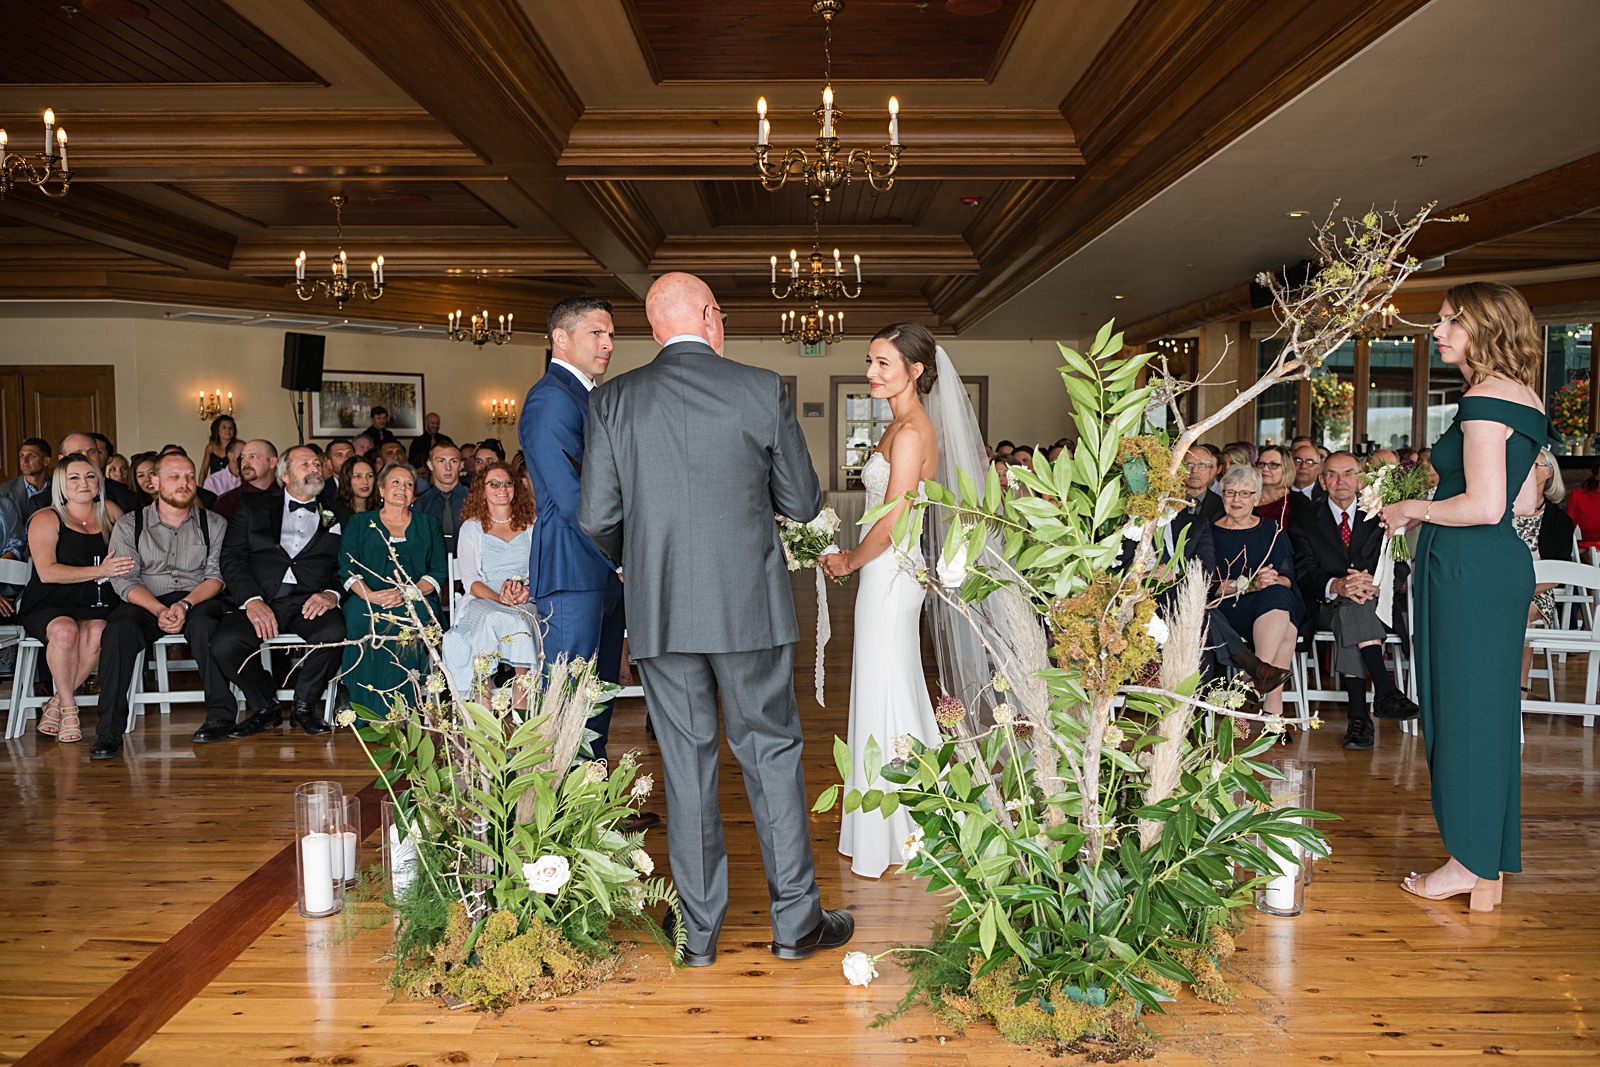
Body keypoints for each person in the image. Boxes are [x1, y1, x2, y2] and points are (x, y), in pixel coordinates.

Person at [578, 271, 852, 968]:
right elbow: (798, 497)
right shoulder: (759, 388)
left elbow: (596, 519)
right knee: (772, 755)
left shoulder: (613, 399)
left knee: (686, 764)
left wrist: (639, 563)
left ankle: (699, 935)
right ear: (707, 316)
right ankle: (795, 923)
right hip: (749, 612)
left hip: (662, 612)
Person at [1380, 281, 1555, 912]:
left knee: (1462, 713)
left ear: (1485, 327)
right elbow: (1526, 501)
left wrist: (1411, 507)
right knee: (1486, 714)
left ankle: (1468, 863)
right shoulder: (1525, 397)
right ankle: (1486, 865)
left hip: (1468, 568)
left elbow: (1482, 506)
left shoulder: (1483, 398)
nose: (1439, 331)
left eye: (1452, 321)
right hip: (1495, 566)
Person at [818, 323, 943, 879]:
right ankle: (903, 820)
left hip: (892, 574)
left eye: (883, 363)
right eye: (870, 361)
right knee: (887, 682)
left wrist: (848, 559)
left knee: (885, 682)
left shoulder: (913, 431)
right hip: (888, 575)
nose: (871, 372)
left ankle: (898, 830)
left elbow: (893, 523)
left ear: (915, 371)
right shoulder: (900, 424)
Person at [520, 295, 628, 763]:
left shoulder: (587, 396)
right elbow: (570, 499)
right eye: (596, 333)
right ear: (559, 339)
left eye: (610, 334)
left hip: (599, 571)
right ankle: (559, 823)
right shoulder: (549, 400)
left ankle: (592, 812)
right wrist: (622, 556)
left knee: (598, 695)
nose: (607, 344)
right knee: (567, 700)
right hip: (571, 570)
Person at [89, 453, 232, 759]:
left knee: (209, 626)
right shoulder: (130, 524)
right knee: (118, 630)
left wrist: (184, 604)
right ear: (154, 483)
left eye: (190, 476)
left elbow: (216, 577)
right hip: (146, 599)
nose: (185, 483)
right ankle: (109, 730)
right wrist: (157, 610)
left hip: (197, 599)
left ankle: (220, 716)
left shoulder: (215, 524)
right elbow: (125, 579)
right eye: (174, 476)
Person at [1288, 451, 1418, 751]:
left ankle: (1359, 717)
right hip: (1324, 605)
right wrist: (1336, 584)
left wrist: (1375, 584)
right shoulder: (1305, 521)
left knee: (1355, 607)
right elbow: (1303, 572)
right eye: (1332, 474)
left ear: (1361, 478)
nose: (1340, 481)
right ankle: (1383, 690)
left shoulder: (1381, 516)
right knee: (1350, 605)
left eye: (1348, 473)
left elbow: (1399, 566)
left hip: (1374, 603)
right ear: (1322, 481)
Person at [211, 445, 342, 738]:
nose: (314, 468)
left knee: (334, 634)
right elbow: (231, 558)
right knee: (224, 643)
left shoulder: (337, 512)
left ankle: (304, 706)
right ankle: (264, 705)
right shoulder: (251, 506)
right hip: (260, 598)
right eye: (305, 464)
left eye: (317, 464)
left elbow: (344, 565)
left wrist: (331, 594)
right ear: (284, 474)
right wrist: (252, 601)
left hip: (309, 601)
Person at [20, 454, 131, 743]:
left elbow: (131, 555)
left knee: (98, 633)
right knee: (65, 631)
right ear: (61, 484)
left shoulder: (109, 511)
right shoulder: (47, 517)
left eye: (90, 476)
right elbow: (47, 573)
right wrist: (100, 570)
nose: (84, 483)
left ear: (99, 482)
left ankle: (57, 700)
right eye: (74, 478)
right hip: (49, 601)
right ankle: (70, 708)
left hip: (95, 602)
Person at [339, 462, 445, 715]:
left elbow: (439, 570)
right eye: (395, 483)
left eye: (409, 484)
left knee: (410, 622)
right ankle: (365, 711)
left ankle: (405, 710)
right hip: (366, 598)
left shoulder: (429, 524)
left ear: (414, 493)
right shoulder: (359, 522)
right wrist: (372, 596)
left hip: (416, 598)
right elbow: (347, 567)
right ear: (382, 489)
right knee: (359, 621)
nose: (402, 489)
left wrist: (407, 593)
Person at [1211, 463, 1303, 723]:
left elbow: (1289, 580)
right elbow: (1206, 585)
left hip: (1268, 605)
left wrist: (1274, 579)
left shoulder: (1272, 530)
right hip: (1225, 608)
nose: (1236, 499)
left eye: (1244, 493)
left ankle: (1252, 683)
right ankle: (1272, 709)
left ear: (1257, 497)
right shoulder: (1209, 532)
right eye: (1230, 493)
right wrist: (1249, 584)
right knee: (1288, 628)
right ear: (1222, 495)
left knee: (1278, 595)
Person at [441, 460, 536, 693]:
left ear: (516, 487)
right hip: (483, 598)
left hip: (524, 597)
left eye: (507, 483)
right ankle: (481, 699)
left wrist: (526, 591)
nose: (502, 488)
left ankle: (521, 703)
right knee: (493, 617)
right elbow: (471, 581)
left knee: (522, 619)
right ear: (482, 490)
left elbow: (541, 571)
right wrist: (498, 598)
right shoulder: (471, 528)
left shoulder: (532, 524)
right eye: (493, 483)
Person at [1516, 449, 1576, 691]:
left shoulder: (1560, 520)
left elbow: (1558, 573)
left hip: (1538, 592)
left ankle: (1520, 690)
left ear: (1549, 473)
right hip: (1498, 587)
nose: (1526, 469)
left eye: (1534, 465)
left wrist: (1523, 590)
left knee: (1518, 612)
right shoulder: (1501, 510)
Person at [413, 441, 467, 554]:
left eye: (453, 461)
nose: (448, 467)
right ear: (430, 465)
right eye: (441, 461)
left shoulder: (476, 500)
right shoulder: (420, 505)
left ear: (461, 465)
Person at [210, 439, 278, 521]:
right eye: (243, 457)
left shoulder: (289, 497)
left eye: (252, 457)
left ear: (272, 462)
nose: (245, 464)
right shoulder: (226, 504)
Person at [1253, 444, 1304, 525]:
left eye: (1273, 464)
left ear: (1286, 469)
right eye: (1261, 463)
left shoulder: (1300, 502)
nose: (1265, 469)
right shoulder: (1247, 496)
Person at [2, 438, 52, 519]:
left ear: (46, 461)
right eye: (22, 456)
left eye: (31, 456)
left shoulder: (60, 489)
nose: (24, 461)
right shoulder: (4, 491)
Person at [1179, 442, 1224, 521]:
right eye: (1189, 464)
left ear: (1211, 470)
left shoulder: (1221, 505)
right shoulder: (1167, 500)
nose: (1195, 470)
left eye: (1201, 465)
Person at [1565, 456, 1600, 555]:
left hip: (1589, 551)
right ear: (1596, 475)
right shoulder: (1578, 496)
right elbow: (1567, 530)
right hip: (1589, 553)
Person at [332, 455, 377, 524]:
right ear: (346, 480)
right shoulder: (334, 510)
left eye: (369, 476)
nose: (365, 482)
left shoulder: (381, 510)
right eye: (358, 476)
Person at [1288, 442, 1324, 506]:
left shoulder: (1326, 496)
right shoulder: (1279, 493)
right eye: (1298, 461)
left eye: (1310, 462)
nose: (1303, 466)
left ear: (1319, 467)